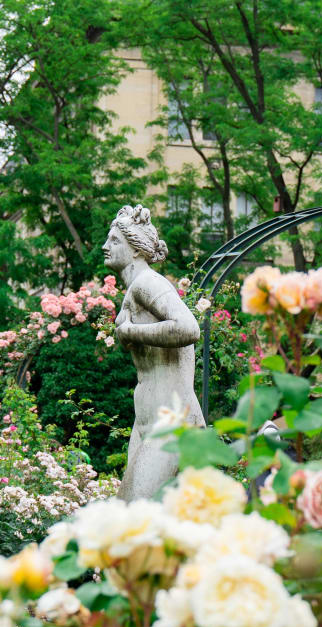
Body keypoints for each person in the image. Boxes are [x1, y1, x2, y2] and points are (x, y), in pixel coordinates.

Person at [103, 204, 205, 500]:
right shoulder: (133, 290)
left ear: (136, 250)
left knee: (138, 516)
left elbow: (189, 329)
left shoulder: (148, 282)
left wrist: (132, 332)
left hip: (171, 419)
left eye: (114, 241)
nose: (104, 247)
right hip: (147, 420)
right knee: (130, 519)